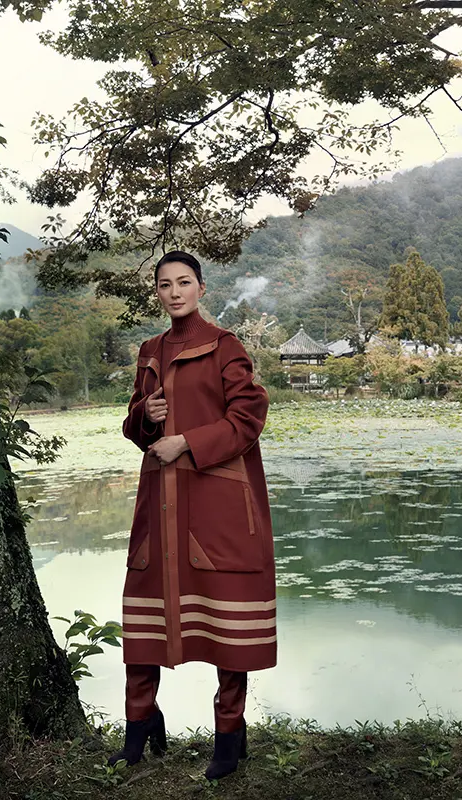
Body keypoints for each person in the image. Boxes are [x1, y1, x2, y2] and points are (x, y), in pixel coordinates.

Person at [109, 250, 276, 780]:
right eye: (165, 284)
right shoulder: (150, 350)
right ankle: (139, 728)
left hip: (216, 506)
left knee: (229, 631)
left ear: (201, 288)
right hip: (161, 508)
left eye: (184, 282)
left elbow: (249, 417)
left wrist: (185, 441)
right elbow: (136, 429)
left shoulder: (226, 346)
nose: (175, 291)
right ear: (156, 293)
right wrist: (146, 417)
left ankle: (229, 739)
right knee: (144, 627)